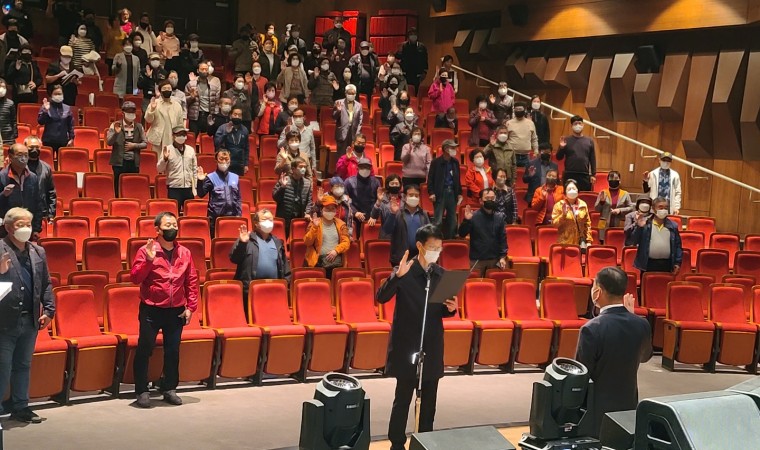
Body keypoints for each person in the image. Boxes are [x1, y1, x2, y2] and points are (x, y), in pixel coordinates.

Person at [377, 224, 458, 450]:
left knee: (429, 403)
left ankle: (424, 443)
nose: (436, 252)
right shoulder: (405, 270)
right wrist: (396, 277)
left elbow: (440, 311)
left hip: (431, 346)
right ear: (420, 246)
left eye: (439, 248)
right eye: (432, 247)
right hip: (407, 346)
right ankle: (396, 444)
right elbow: (381, 297)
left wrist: (451, 309)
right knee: (403, 399)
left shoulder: (441, 275)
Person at [130, 211, 199, 408]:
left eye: (175, 225)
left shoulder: (185, 253)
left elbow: (191, 281)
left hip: (176, 310)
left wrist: (191, 307)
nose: (172, 228)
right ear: (158, 229)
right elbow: (135, 278)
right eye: (168, 225)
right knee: (145, 349)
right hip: (151, 309)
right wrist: (148, 261)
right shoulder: (146, 250)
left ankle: (169, 388)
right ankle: (142, 390)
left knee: (172, 351)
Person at [576, 266, 652, 437]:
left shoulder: (591, 329)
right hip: (628, 406)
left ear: (598, 291)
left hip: (597, 411)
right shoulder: (642, 324)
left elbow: (582, 374)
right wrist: (631, 316)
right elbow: (645, 356)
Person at [0, 207, 55, 424]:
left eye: (28, 224)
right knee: (2, 367)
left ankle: (20, 407)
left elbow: (46, 283)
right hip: (5, 321)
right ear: (8, 227)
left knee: (23, 365)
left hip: (30, 319)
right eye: (20, 225)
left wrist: (49, 310)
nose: (25, 228)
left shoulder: (37, 251)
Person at [230, 208, 290, 311]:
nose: (268, 222)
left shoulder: (277, 242)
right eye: (265, 219)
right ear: (256, 223)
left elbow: (285, 268)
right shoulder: (247, 239)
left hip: (273, 291)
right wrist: (242, 243)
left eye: (270, 220)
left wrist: (284, 285)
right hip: (250, 291)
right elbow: (234, 258)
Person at [459, 189, 508, 276]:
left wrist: (502, 257)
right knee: (475, 283)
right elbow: (462, 234)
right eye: (487, 198)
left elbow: (503, 239)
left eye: (492, 198)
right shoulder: (473, 216)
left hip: (494, 259)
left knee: (494, 283)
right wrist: (467, 220)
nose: (490, 200)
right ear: (481, 201)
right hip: (477, 259)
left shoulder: (499, 217)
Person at [0, 144, 45, 238]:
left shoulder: (33, 177)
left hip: (27, 227)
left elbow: (38, 203)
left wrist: (36, 229)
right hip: (7, 229)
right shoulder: (2, 177)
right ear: (10, 157)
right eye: (20, 155)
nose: (23, 158)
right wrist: (3, 195)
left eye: (26, 155)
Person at [197, 149, 242, 239]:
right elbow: (201, 194)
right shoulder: (210, 177)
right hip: (215, 219)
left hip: (232, 217)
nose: (224, 161)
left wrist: (239, 215)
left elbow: (238, 198)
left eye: (226, 159)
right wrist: (200, 181)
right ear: (216, 160)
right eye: (221, 159)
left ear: (230, 160)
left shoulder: (235, 177)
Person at [630, 197, 683, 274]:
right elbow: (634, 241)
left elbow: (678, 246)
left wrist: (677, 263)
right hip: (648, 264)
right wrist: (639, 227)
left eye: (666, 208)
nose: (663, 210)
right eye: (660, 207)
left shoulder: (673, 226)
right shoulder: (645, 224)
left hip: (667, 265)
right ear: (653, 209)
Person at [381, 183, 430, 265]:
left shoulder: (423, 214)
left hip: (419, 258)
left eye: (416, 196)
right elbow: (387, 230)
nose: (414, 198)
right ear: (404, 196)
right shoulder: (397, 212)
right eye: (411, 195)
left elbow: (429, 234)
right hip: (400, 258)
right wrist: (392, 214)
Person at [304, 196, 350, 279]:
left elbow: (346, 242)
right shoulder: (314, 223)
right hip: (318, 265)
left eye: (333, 209)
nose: (330, 211)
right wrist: (315, 227)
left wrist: (336, 251)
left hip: (336, 264)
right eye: (327, 208)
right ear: (322, 209)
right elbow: (307, 242)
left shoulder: (341, 224)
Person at [107, 101, 147, 196]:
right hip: (119, 163)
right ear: (123, 113)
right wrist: (116, 133)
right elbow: (109, 142)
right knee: (118, 188)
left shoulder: (139, 127)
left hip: (134, 162)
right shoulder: (115, 125)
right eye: (128, 112)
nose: (131, 114)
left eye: (133, 111)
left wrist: (134, 145)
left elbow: (145, 144)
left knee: (132, 187)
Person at [158, 126, 198, 214]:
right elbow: (159, 169)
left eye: (184, 134)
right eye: (179, 134)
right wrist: (164, 159)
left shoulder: (190, 150)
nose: (182, 137)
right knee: (174, 214)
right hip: (174, 188)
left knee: (190, 214)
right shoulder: (167, 149)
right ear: (173, 136)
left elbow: (194, 169)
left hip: (188, 188)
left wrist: (195, 186)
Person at [428, 139, 463, 239]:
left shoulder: (455, 162)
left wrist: (459, 193)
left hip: (452, 192)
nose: (455, 149)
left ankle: (450, 240)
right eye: (453, 148)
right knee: (438, 220)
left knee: (452, 220)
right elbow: (430, 179)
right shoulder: (436, 162)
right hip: (440, 192)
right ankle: (435, 240)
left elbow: (457, 179)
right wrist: (431, 192)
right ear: (446, 149)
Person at [273, 157, 313, 238]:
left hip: (299, 218)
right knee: (281, 241)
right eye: (301, 167)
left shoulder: (307, 183)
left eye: (305, 167)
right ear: (293, 169)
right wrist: (282, 187)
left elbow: (309, 201)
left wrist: (308, 212)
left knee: (297, 241)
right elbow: (275, 197)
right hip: (285, 217)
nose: (303, 169)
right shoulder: (284, 180)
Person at [557, 115, 596, 192]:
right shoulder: (566, 140)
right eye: (575, 124)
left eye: (579, 123)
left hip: (584, 175)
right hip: (569, 174)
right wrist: (561, 148)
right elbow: (559, 157)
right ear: (572, 126)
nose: (578, 125)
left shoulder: (589, 141)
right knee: (569, 196)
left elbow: (592, 159)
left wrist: (593, 175)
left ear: (583, 125)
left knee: (584, 196)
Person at [146, 80, 184, 154]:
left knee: (171, 159)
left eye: (169, 89)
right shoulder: (155, 103)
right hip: (158, 138)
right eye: (164, 89)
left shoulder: (177, 105)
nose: (167, 90)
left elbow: (180, 124)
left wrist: (179, 137)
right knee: (158, 159)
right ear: (160, 91)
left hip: (172, 138)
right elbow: (148, 120)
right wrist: (152, 109)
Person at [344, 157, 380, 235]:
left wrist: (374, 216)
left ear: (370, 169)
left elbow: (379, 201)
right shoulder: (349, 182)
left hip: (371, 219)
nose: (365, 169)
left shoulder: (376, 182)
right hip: (354, 219)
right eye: (362, 167)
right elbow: (345, 200)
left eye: (367, 167)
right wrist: (355, 212)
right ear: (357, 168)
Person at [552, 179, 592, 247]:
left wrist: (588, 241)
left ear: (578, 191)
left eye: (574, 188)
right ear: (565, 192)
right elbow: (554, 224)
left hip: (579, 244)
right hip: (564, 243)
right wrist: (563, 215)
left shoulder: (583, 204)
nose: (572, 191)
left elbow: (587, 224)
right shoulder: (559, 205)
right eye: (569, 189)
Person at [23, 137, 56, 221]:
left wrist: (51, 213)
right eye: (31, 147)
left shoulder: (46, 168)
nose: (34, 150)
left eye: (37, 147)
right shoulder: (20, 167)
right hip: (23, 212)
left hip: (41, 212)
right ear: (25, 147)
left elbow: (51, 192)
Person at [186, 61, 222, 135]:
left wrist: (215, 116)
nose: (204, 71)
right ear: (198, 70)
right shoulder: (191, 84)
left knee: (207, 138)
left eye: (206, 69)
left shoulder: (213, 87)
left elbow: (216, 102)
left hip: (208, 116)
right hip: (195, 116)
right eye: (202, 69)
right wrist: (191, 97)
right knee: (193, 137)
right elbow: (185, 101)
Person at [594, 171, 633, 239]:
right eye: (611, 179)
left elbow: (631, 208)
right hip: (604, 223)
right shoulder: (603, 193)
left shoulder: (625, 194)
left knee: (617, 240)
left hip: (619, 222)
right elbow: (596, 209)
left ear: (619, 180)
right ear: (608, 180)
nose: (613, 180)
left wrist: (620, 210)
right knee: (602, 241)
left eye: (615, 178)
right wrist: (601, 202)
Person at [214, 106, 250, 177]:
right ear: (231, 115)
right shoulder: (223, 128)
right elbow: (217, 143)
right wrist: (225, 133)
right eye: (235, 114)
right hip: (225, 162)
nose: (237, 116)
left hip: (239, 163)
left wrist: (246, 164)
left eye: (239, 115)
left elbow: (246, 148)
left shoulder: (245, 130)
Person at [38, 87, 75, 155]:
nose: (58, 96)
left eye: (59, 94)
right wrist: (46, 111)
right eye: (55, 94)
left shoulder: (67, 108)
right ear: (51, 95)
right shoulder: (46, 106)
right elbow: (40, 122)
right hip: (48, 140)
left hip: (63, 141)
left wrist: (71, 138)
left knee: (63, 161)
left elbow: (70, 125)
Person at [277, 108, 316, 172]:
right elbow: (279, 145)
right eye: (295, 116)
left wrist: (314, 165)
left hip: (305, 162)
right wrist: (286, 137)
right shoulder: (288, 128)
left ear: (304, 117)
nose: (297, 118)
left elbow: (312, 148)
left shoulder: (309, 130)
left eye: (300, 116)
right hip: (291, 161)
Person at [505, 102, 538, 167]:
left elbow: (534, 139)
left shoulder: (530, 123)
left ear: (524, 110)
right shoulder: (509, 123)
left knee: (527, 173)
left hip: (526, 156)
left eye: (520, 109)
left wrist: (536, 150)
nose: (518, 111)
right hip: (512, 155)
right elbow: (505, 139)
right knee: (511, 173)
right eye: (516, 109)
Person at [333, 84, 363, 156]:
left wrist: (357, 135)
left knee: (352, 156)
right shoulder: (338, 102)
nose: (351, 95)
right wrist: (338, 111)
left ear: (355, 94)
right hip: (342, 133)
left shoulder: (359, 105)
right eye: (349, 93)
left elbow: (360, 121)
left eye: (353, 93)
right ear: (345, 93)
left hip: (353, 133)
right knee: (341, 156)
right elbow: (334, 117)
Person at [397, 27, 428, 94]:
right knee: (405, 92)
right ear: (408, 36)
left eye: (414, 34)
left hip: (417, 75)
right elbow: (398, 57)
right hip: (406, 74)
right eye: (411, 34)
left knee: (416, 93)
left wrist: (425, 72)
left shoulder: (422, 47)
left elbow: (425, 60)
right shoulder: (404, 46)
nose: (413, 36)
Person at [0, 78, 17, 144]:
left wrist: (14, 135)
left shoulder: (10, 103)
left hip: (8, 137)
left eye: (3, 87)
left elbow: (13, 121)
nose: (1, 89)